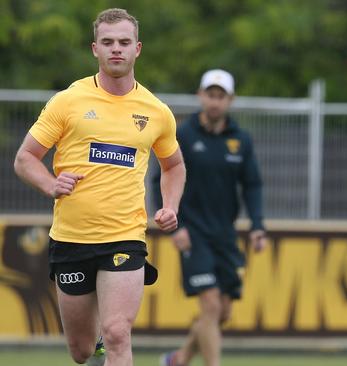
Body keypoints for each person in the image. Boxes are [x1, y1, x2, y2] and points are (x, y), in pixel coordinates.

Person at [13, 8, 186, 366]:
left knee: (119, 331)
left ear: (138, 48)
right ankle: (99, 352)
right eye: (108, 42)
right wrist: (50, 184)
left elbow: (173, 165)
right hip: (72, 239)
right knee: (82, 350)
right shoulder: (68, 101)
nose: (116, 49)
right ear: (95, 49)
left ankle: (113, 347)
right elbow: (25, 158)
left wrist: (171, 205)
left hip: (125, 236)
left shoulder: (156, 111)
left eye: (124, 42)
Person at [155, 69, 267, 366]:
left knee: (222, 313)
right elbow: (160, 178)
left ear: (231, 100)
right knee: (210, 304)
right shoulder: (183, 135)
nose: (215, 102)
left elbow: (252, 185)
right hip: (192, 232)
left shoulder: (240, 140)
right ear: (200, 96)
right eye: (211, 95)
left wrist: (257, 226)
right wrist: (173, 223)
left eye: (221, 97)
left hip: (225, 235)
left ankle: (179, 359)